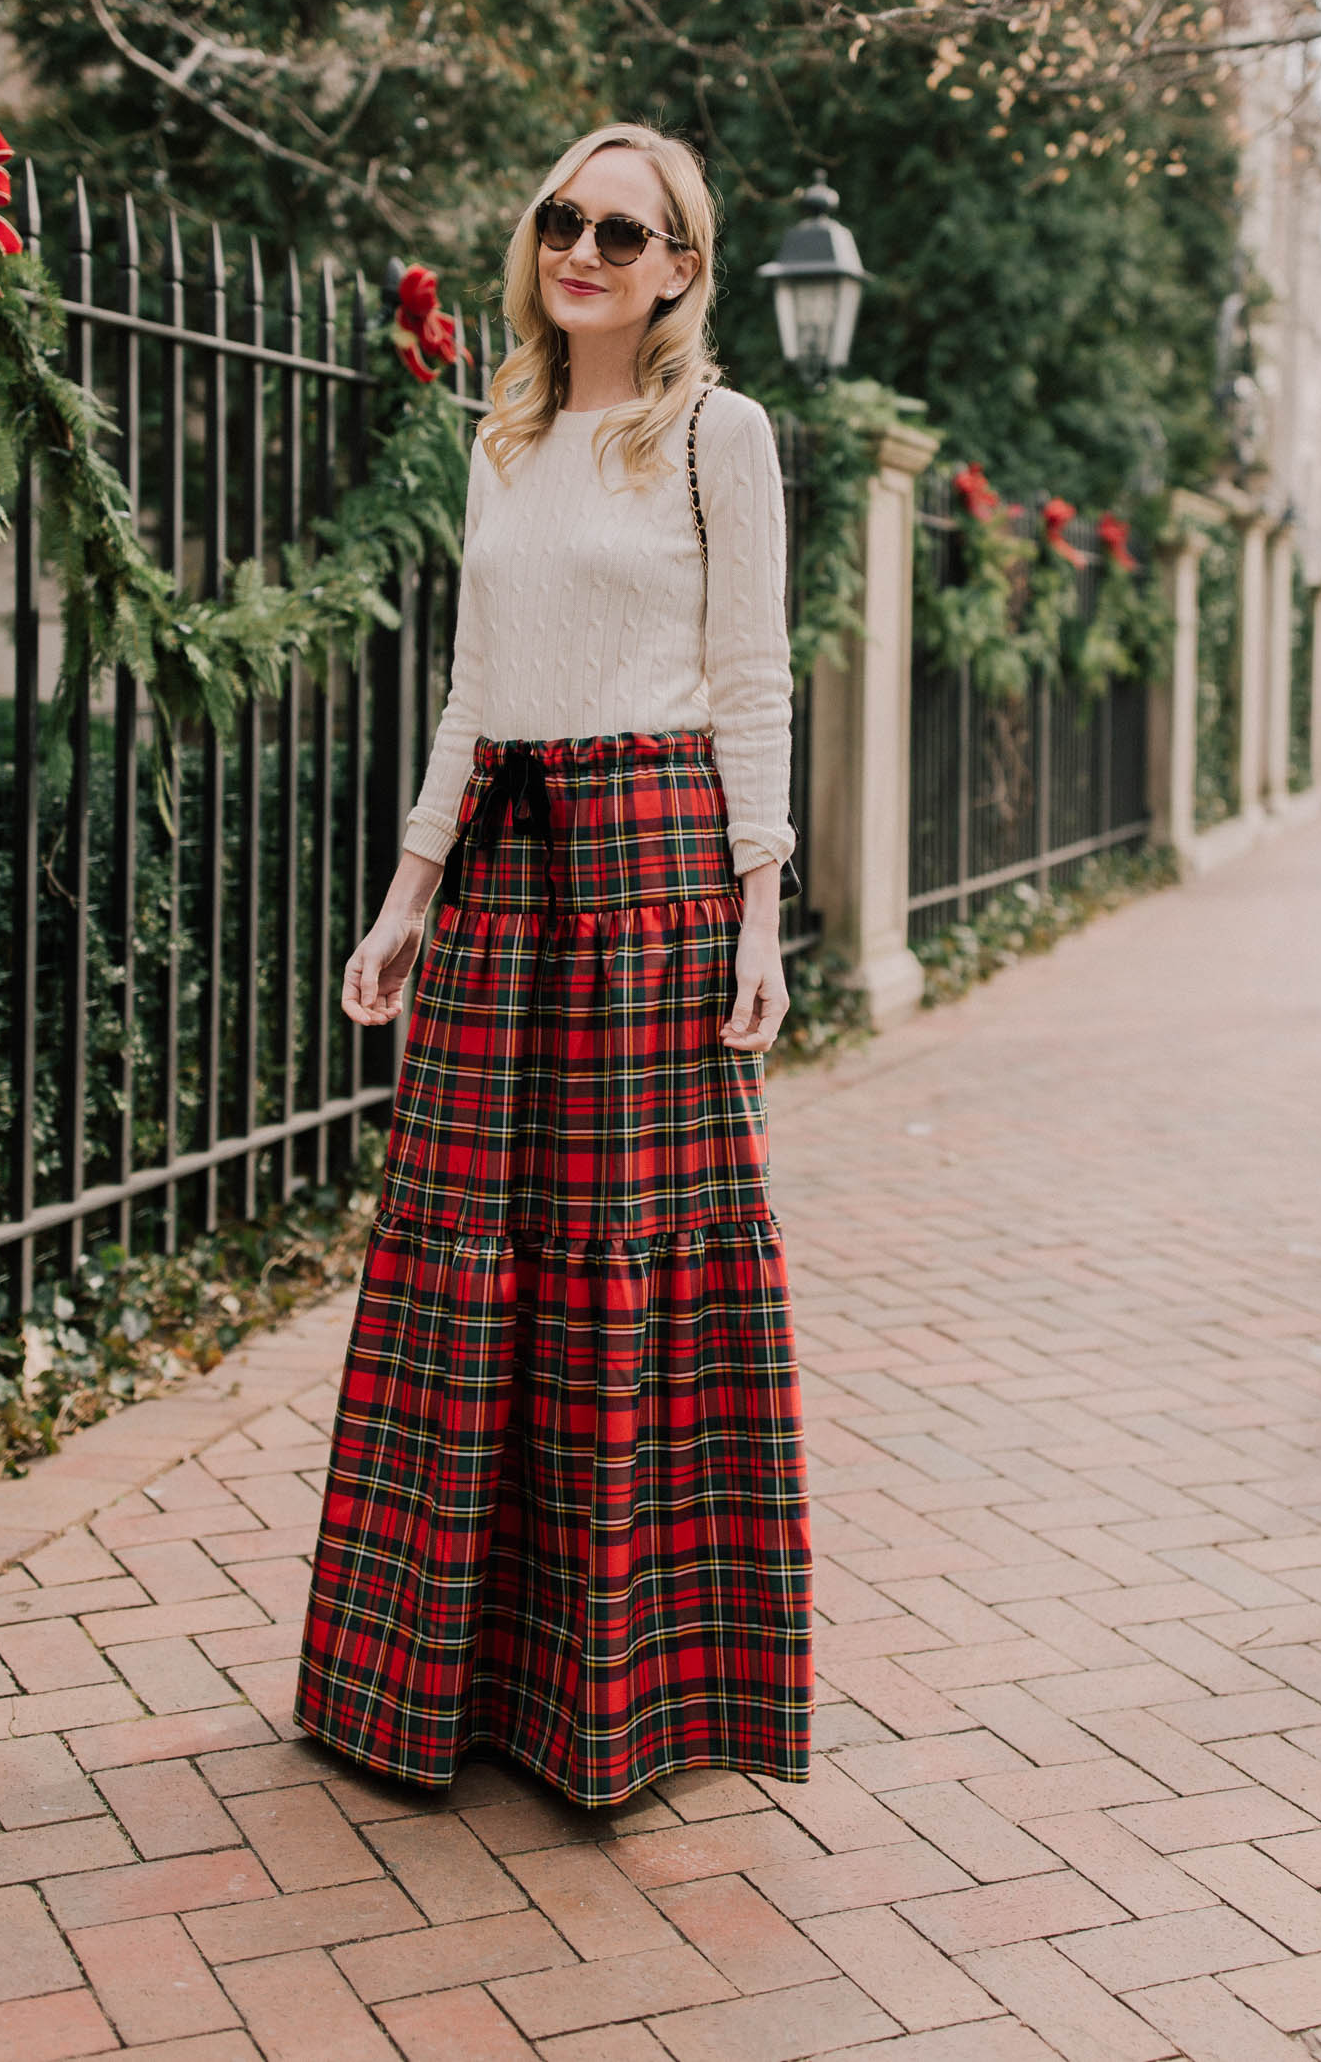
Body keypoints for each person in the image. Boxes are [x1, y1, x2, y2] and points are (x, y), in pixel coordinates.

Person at [293, 122, 812, 1808]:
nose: (582, 245)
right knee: (463, 1264)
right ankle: (433, 1691)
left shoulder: (718, 438)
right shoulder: (503, 437)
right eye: (560, 217)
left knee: (619, 1264)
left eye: (622, 228)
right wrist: (408, 889)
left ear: (678, 267)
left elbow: (752, 684)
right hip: (508, 877)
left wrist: (759, 905)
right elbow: (471, 683)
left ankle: (628, 1711)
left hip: (653, 874)